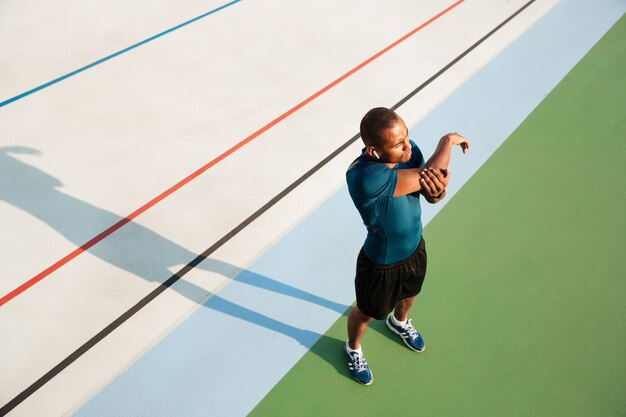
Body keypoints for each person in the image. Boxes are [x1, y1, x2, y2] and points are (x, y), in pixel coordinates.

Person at [344, 107, 469, 385]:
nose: (408, 146)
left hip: (415, 250)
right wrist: (446, 142)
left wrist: (437, 191)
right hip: (380, 264)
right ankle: (353, 347)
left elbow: (431, 192)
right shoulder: (365, 177)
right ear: (375, 151)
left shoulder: (409, 152)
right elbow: (430, 174)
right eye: (398, 144)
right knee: (365, 312)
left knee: (410, 295)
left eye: (407, 136)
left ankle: (399, 322)